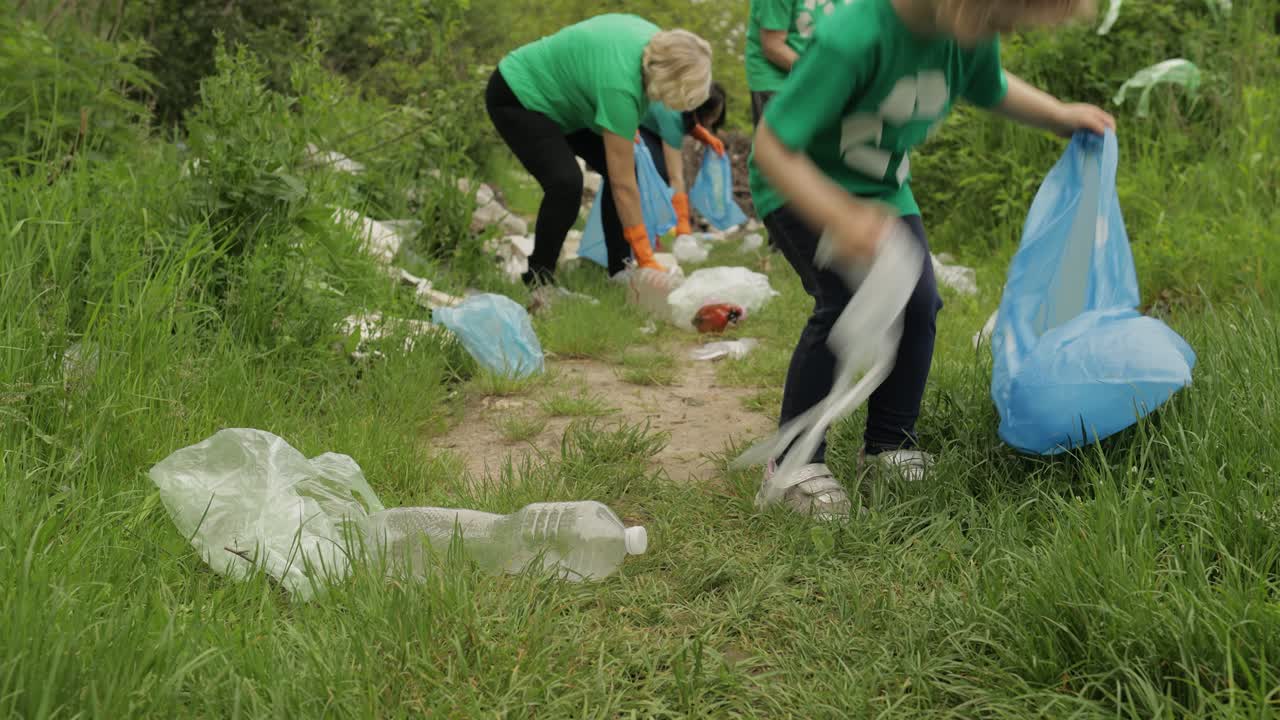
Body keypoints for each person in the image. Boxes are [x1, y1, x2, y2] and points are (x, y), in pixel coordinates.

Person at [749, 0, 1116, 519]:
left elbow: (995, 87)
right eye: (1001, 20)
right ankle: (792, 464)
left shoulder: (967, 33)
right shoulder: (854, 38)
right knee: (844, 301)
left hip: (882, 192)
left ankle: (888, 447)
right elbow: (773, 146)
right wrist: (837, 214)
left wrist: (1058, 114)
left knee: (919, 306)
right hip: (805, 187)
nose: (1004, 33)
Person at [485, 14, 713, 285]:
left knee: (633, 167)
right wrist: (645, 255)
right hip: (519, 95)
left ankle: (620, 271)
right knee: (566, 183)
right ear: (669, 76)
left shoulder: (654, 44)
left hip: (570, 106)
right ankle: (539, 281)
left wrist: (624, 126)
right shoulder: (621, 86)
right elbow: (623, 185)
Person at [637, 82, 727, 245]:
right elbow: (675, 176)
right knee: (658, 175)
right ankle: (647, 238)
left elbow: (688, 121)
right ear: (701, 110)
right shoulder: (672, 116)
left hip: (653, 126)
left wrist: (704, 136)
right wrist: (683, 224)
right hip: (638, 127)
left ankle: (650, 236)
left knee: (660, 173)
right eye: (712, 116)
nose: (713, 122)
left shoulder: (685, 104)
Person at [745, 0, 851, 126]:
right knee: (780, 142)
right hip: (777, 81)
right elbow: (773, 46)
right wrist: (821, 74)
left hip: (817, 77)